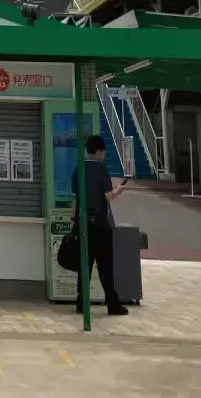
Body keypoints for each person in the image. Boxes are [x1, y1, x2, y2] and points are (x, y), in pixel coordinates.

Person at [70, 135, 129, 316]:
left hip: (83, 224)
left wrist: (73, 221)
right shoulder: (101, 169)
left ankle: (81, 302)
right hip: (101, 225)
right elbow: (107, 196)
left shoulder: (78, 169)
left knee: (84, 265)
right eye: (103, 152)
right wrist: (119, 190)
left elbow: (74, 198)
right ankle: (112, 304)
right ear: (98, 152)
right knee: (105, 266)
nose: (103, 155)